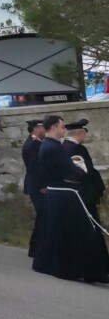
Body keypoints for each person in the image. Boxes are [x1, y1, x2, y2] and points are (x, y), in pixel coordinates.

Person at [33, 116, 108, 283]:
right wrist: (81, 172)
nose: (64, 129)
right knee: (83, 232)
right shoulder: (53, 147)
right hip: (64, 194)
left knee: (60, 232)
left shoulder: (49, 145)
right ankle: (90, 270)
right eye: (61, 126)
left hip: (57, 193)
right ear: (53, 127)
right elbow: (70, 172)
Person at [62, 119, 105, 223]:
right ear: (79, 132)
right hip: (84, 192)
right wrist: (99, 187)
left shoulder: (64, 146)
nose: (85, 136)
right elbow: (86, 171)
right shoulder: (77, 149)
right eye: (84, 133)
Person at [21, 119, 46, 258]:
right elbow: (35, 167)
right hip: (37, 186)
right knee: (43, 216)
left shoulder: (34, 143)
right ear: (37, 128)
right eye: (43, 127)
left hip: (35, 185)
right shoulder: (33, 145)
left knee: (42, 217)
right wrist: (42, 186)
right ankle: (36, 248)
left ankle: (35, 247)